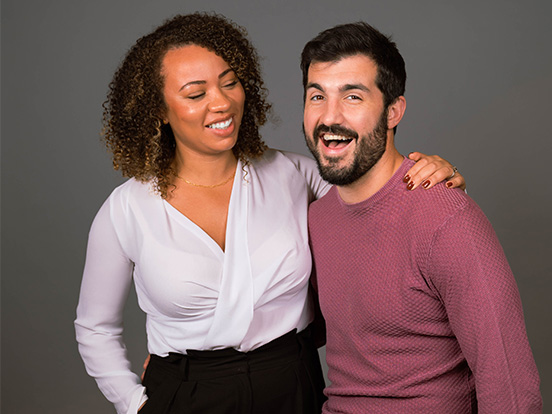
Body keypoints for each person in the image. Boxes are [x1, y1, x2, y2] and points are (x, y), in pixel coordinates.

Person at [74, 13, 465, 414]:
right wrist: (135, 403)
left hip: (292, 385)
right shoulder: (126, 210)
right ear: (157, 109)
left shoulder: (298, 175)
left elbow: (378, 191)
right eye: (196, 94)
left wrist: (429, 171)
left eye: (230, 82)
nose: (222, 102)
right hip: (185, 392)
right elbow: (94, 327)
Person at [304, 22, 542, 414]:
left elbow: (511, 387)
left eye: (353, 97)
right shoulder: (316, 217)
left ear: (393, 110)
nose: (330, 117)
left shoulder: (446, 216)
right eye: (317, 96)